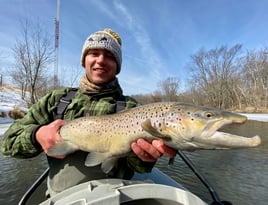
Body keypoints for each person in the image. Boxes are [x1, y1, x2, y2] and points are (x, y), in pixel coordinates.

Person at [1, 28, 176, 197]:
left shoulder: (133, 109)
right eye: (94, 54)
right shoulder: (56, 100)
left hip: (117, 198)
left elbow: (140, 168)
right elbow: (7, 143)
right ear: (84, 60)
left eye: (109, 56)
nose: (101, 60)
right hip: (62, 200)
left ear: (117, 65)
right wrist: (37, 135)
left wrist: (144, 158)